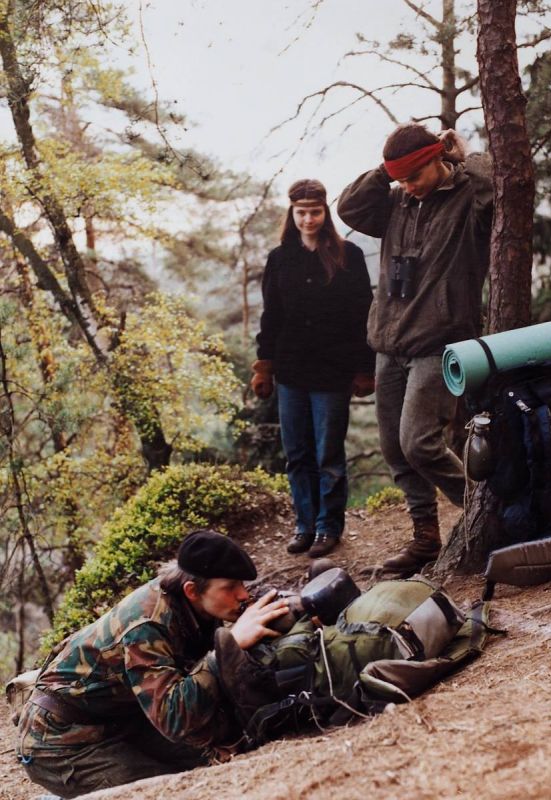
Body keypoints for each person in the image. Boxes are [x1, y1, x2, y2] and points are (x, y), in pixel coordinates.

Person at [16, 530, 289, 799]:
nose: (242, 595)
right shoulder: (146, 626)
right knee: (160, 791)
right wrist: (227, 648)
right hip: (59, 742)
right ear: (192, 590)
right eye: (230, 587)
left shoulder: (195, 605)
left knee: (219, 750)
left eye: (241, 584)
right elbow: (174, 718)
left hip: (121, 719)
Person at [337, 124, 493, 575]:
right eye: (399, 178)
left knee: (419, 442)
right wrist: (388, 173)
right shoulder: (395, 202)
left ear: (436, 160)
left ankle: (485, 511)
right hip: (389, 340)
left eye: (413, 175)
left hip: (439, 341)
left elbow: (496, 187)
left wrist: (461, 154)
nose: (407, 185)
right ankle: (425, 535)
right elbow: (349, 206)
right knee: (393, 448)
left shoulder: (467, 197)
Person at [251, 179, 375, 559]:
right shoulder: (280, 258)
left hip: (332, 372)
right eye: (301, 212)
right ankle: (304, 525)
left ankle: (328, 527)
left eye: (315, 211)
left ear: (325, 212)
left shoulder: (348, 255)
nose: (308, 218)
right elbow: (271, 315)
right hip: (290, 371)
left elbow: (362, 314)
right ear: (292, 212)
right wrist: (264, 367)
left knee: (328, 455)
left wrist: (364, 368)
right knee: (298, 454)